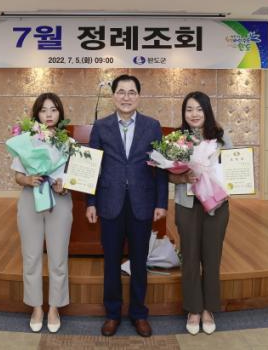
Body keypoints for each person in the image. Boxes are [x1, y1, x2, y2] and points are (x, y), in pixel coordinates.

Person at [85, 74, 168, 338]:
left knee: (139, 262)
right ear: (113, 96)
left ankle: (139, 313)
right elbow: (92, 167)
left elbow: (161, 168)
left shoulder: (152, 126)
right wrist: (91, 202)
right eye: (121, 92)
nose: (126, 97)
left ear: (139, 97)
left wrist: (161, 202)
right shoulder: (101, 126)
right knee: (111, 262)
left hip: (142, 203)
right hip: (109, 203)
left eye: (132, 92)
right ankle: (112, 314)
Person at [169, 91, 231, 335]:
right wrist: (183, 177)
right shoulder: (177, 139)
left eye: (198, 109)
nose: (194, 114)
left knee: (212, 257)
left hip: (217, 205)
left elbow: (236, 168)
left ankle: (208, 309)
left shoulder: (222, 138)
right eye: (189, 109)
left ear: (207, 111)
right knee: (190, 257)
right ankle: (194, 309)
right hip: (187, 204)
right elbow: (168, 174)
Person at [12, 93, 73, 333]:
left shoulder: (68, 143)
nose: (49, 114)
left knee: (58, 258)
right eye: (44, 110)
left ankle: (55, 307)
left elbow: (75, 177)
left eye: (53, 110)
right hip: (31, 199)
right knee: (31, 256)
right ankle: (36, 307)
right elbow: (17, 175)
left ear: (60, 114)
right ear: (36, 114)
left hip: (60, 201)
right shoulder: (26, 141)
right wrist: (27, 179)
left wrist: (65, 185)